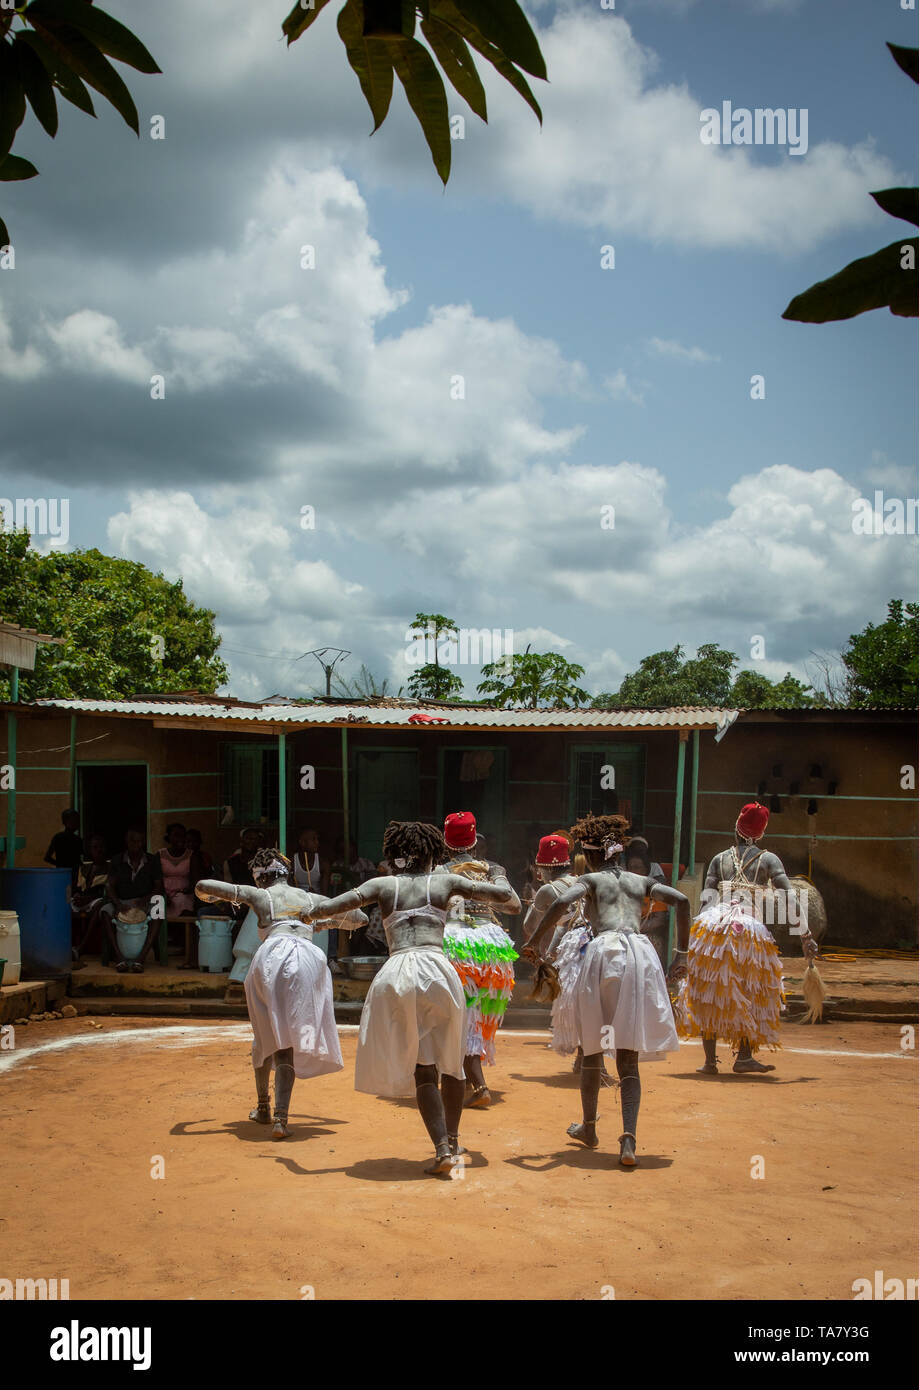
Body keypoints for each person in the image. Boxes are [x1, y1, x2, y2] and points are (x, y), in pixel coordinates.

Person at [304, 821, 513, 1174]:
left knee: (424, 1068)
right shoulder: (446, 882)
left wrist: (309, 915)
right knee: (452, 1061)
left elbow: (332, 907)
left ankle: (442, 1149)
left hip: (399, 973)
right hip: (440, 971)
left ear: (394, 855)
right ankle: (454, 1138)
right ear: (433, 854)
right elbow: (504, 898)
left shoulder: (382, 885)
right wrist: (500, 874)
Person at [524, 813, 690, 1168]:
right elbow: (682, 901)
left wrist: (536, 942)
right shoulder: (639, 880)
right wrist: (681, 954)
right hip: (639, 955)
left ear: (595, 854)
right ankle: (628, 1140)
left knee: (593, 1048)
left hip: (602, 955)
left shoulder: (591, 879)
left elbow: (559, 904)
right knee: (628, 1058)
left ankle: (588, 1127)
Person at [195, 849, 366, 1139]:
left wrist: (217, 896)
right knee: (288, 1038)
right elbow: (359, 918)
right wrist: (321, 921)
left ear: (261, 878)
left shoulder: (261, 896)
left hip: (272, 959)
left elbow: (202, 886)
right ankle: (280, 1118)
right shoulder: (313, 899)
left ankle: (265, 1108)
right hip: (309, 961)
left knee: (267, 1037)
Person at [676, 801, 819, 1076]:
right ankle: (743, 1057)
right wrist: (805, 935)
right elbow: (789, 897)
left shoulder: (719, 859)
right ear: (762, 832)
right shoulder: (769, 860)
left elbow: (707, 901)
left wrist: (698, 939)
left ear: (737, 827)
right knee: (749, 990)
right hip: (749, 931)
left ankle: (709, 1062)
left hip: (714, 926)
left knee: (711, 989)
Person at [436, 812, 521, 1110]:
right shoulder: (493, 868)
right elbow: (514, 905)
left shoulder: (438, 871)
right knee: (476, 1014)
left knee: (459, 1014)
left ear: (445, 841)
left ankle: (477, 1083)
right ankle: (464, 1074)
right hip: (492, 947)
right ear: (474, 840)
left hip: (456, 943)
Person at [99, 827, 165, 974]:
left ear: (143, 842)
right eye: (132, 840)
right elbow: (109, 885)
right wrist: (118, 903)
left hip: (144, 901)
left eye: (139, 841)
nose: (136, 844)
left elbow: (158, 887)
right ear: (126, 842)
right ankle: (119, 956)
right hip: (123, 901)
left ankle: (142, 957)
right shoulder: (117, 860)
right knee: (104, 911)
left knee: (159, 906)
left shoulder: (152, 860)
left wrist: (145, 900)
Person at [223, 827, 263, 1002]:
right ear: (241, 841)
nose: (250, 842)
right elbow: (227, 888)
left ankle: (243, 973)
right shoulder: (231, 862)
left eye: (254, 839)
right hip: (237, 902)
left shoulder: (263, 862)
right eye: (248, 839)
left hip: (258, 903)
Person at [70, 832, 111, 959]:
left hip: (96, 899)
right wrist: (77, 895)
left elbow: (106, 890)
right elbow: (77, 888)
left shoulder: (111, 867)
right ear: (90, 850)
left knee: (101, 905)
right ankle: (64, 945)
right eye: (95, 847)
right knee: (61, 905)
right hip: (82, 900)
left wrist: (88, 898)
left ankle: (82, 947)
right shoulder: (84, 867)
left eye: (101, 847)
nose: (99, 850)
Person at [158, 824, 196, 917]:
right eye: (176, 835)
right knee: (158, 904)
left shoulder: (191, 855)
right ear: (169, 837)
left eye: (183, 836)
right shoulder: (160, 855)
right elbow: (156, 879)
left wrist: (188, 889)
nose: (180, 839)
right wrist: (164, 894)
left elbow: (196, 879)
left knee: (183, 900)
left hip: (184, 893)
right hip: (163, 893)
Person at [44, 808, 84, 887]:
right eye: (74, 820)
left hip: (65, 875)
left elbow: (47, 858)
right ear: (66, 822)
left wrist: (60, 865)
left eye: (77, 820)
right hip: (68, 875)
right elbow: (47, 857)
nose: (77, 823)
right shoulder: (74, 839)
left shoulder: (59, 837)